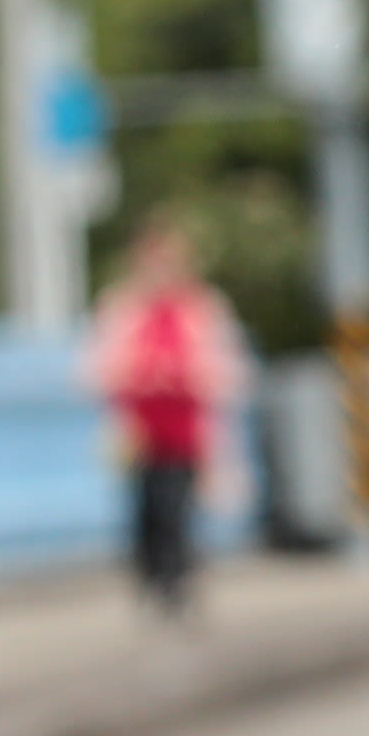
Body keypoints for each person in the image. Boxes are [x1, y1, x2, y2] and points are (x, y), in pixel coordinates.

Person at [84, 217, 248, 617]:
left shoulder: (201, 307)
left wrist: (185, 376)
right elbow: (99, 367)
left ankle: (176, 579)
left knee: (177, 502)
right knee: (145, 503)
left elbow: (226, 368)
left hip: (186, 426)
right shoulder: (123, 306)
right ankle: (152, 574)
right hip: (139, 426)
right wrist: (143, 374)